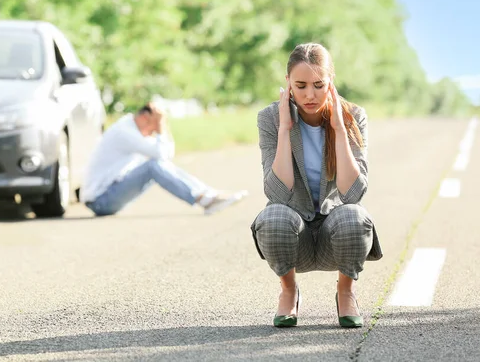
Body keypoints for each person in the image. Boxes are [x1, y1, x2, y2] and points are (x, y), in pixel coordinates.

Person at [250, 43, 383, 328]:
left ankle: (346, 291)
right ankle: (288, 291)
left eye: (319, 85)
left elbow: (353, 193)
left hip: (333, 236)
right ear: (287, 83)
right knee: (272, 217)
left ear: (331, 81)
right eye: (300, 86)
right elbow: (276, 193)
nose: (310, 95)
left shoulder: (353, 116)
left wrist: (338, 129)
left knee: (355, 218)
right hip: (293, 234)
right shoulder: (269, 118)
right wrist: (285, 128)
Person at [81, 103, 247, 216]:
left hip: (108, 195)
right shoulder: (124, 132)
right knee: (152, 166)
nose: (155, 133)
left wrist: (163, 125)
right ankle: (205, 199)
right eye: (154, 127)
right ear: (145, 118)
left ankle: (207, 195)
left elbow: (166, 155)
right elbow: (161, 154)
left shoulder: (132, 128)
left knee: (157, 165)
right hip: (101, 200)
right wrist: (161, 126)